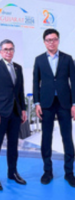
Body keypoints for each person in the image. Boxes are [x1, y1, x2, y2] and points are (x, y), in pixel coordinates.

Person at [33, 28, 75, 187]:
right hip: (46, 104)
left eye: (54, 39)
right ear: (44, 42)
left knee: (67, 138)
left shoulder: (68, 58)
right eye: (48, 40)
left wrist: (74, 104)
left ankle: (69, 173)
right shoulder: (39, 60)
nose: (52, 42)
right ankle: (47, 171)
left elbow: (74, 82)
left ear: (58, 40)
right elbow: (35, 83)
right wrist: (37, 103)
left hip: (64, 103)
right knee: (46, 137)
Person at [0, 39, 27, 190]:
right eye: (5, 49)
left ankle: (12, 173)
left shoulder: (18, 68)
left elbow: (20, 91)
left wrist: (23, 109)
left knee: (13, 145)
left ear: (13, 51)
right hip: (1, 113)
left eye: (11, 49)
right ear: (0, 52)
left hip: (15, 113)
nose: (8, 52)